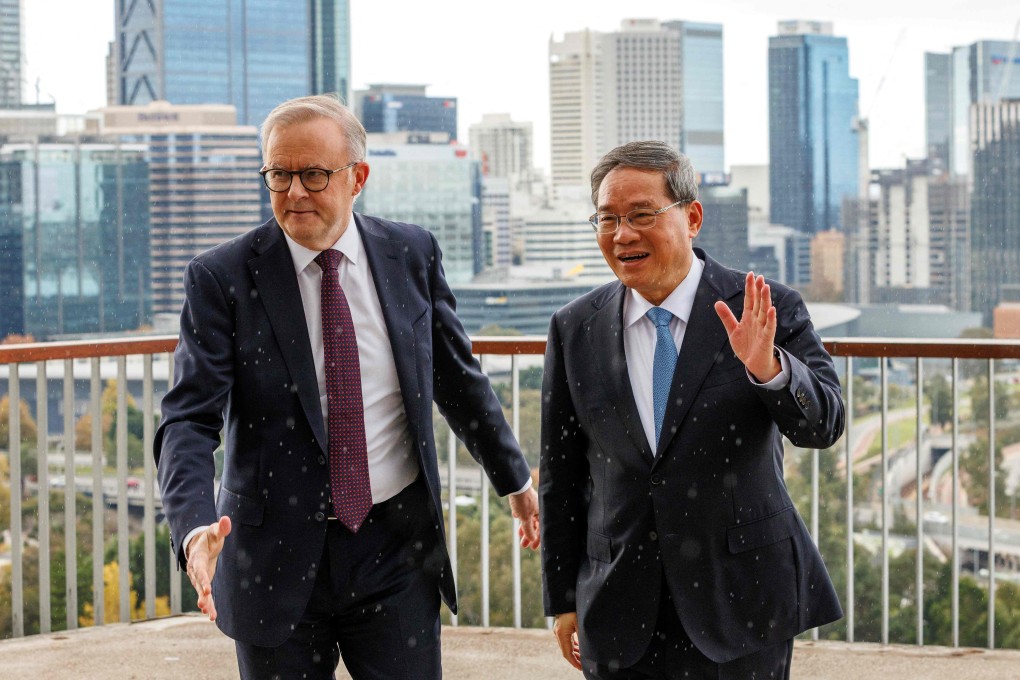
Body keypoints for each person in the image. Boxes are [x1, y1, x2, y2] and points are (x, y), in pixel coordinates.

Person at [154, 94, 540, 680]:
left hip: (395, 552)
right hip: (271, 561)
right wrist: (192, 527)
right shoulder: (222, 277)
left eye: (312, 174)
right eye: (278, 175)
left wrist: (513, 478)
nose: (294, 193)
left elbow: (457, 378)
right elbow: (187, 420)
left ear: (357, 176)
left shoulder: (411, 253)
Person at [539, 140, 844, 679]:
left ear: (692, 217)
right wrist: (562, 600)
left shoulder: (763, 305)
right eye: (607, 219)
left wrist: (770, 369)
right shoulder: (574, 328)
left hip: (740, 600)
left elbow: (824, 425)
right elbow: (562, 478)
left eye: (641, 215)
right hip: (619, 607)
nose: (622, 234)